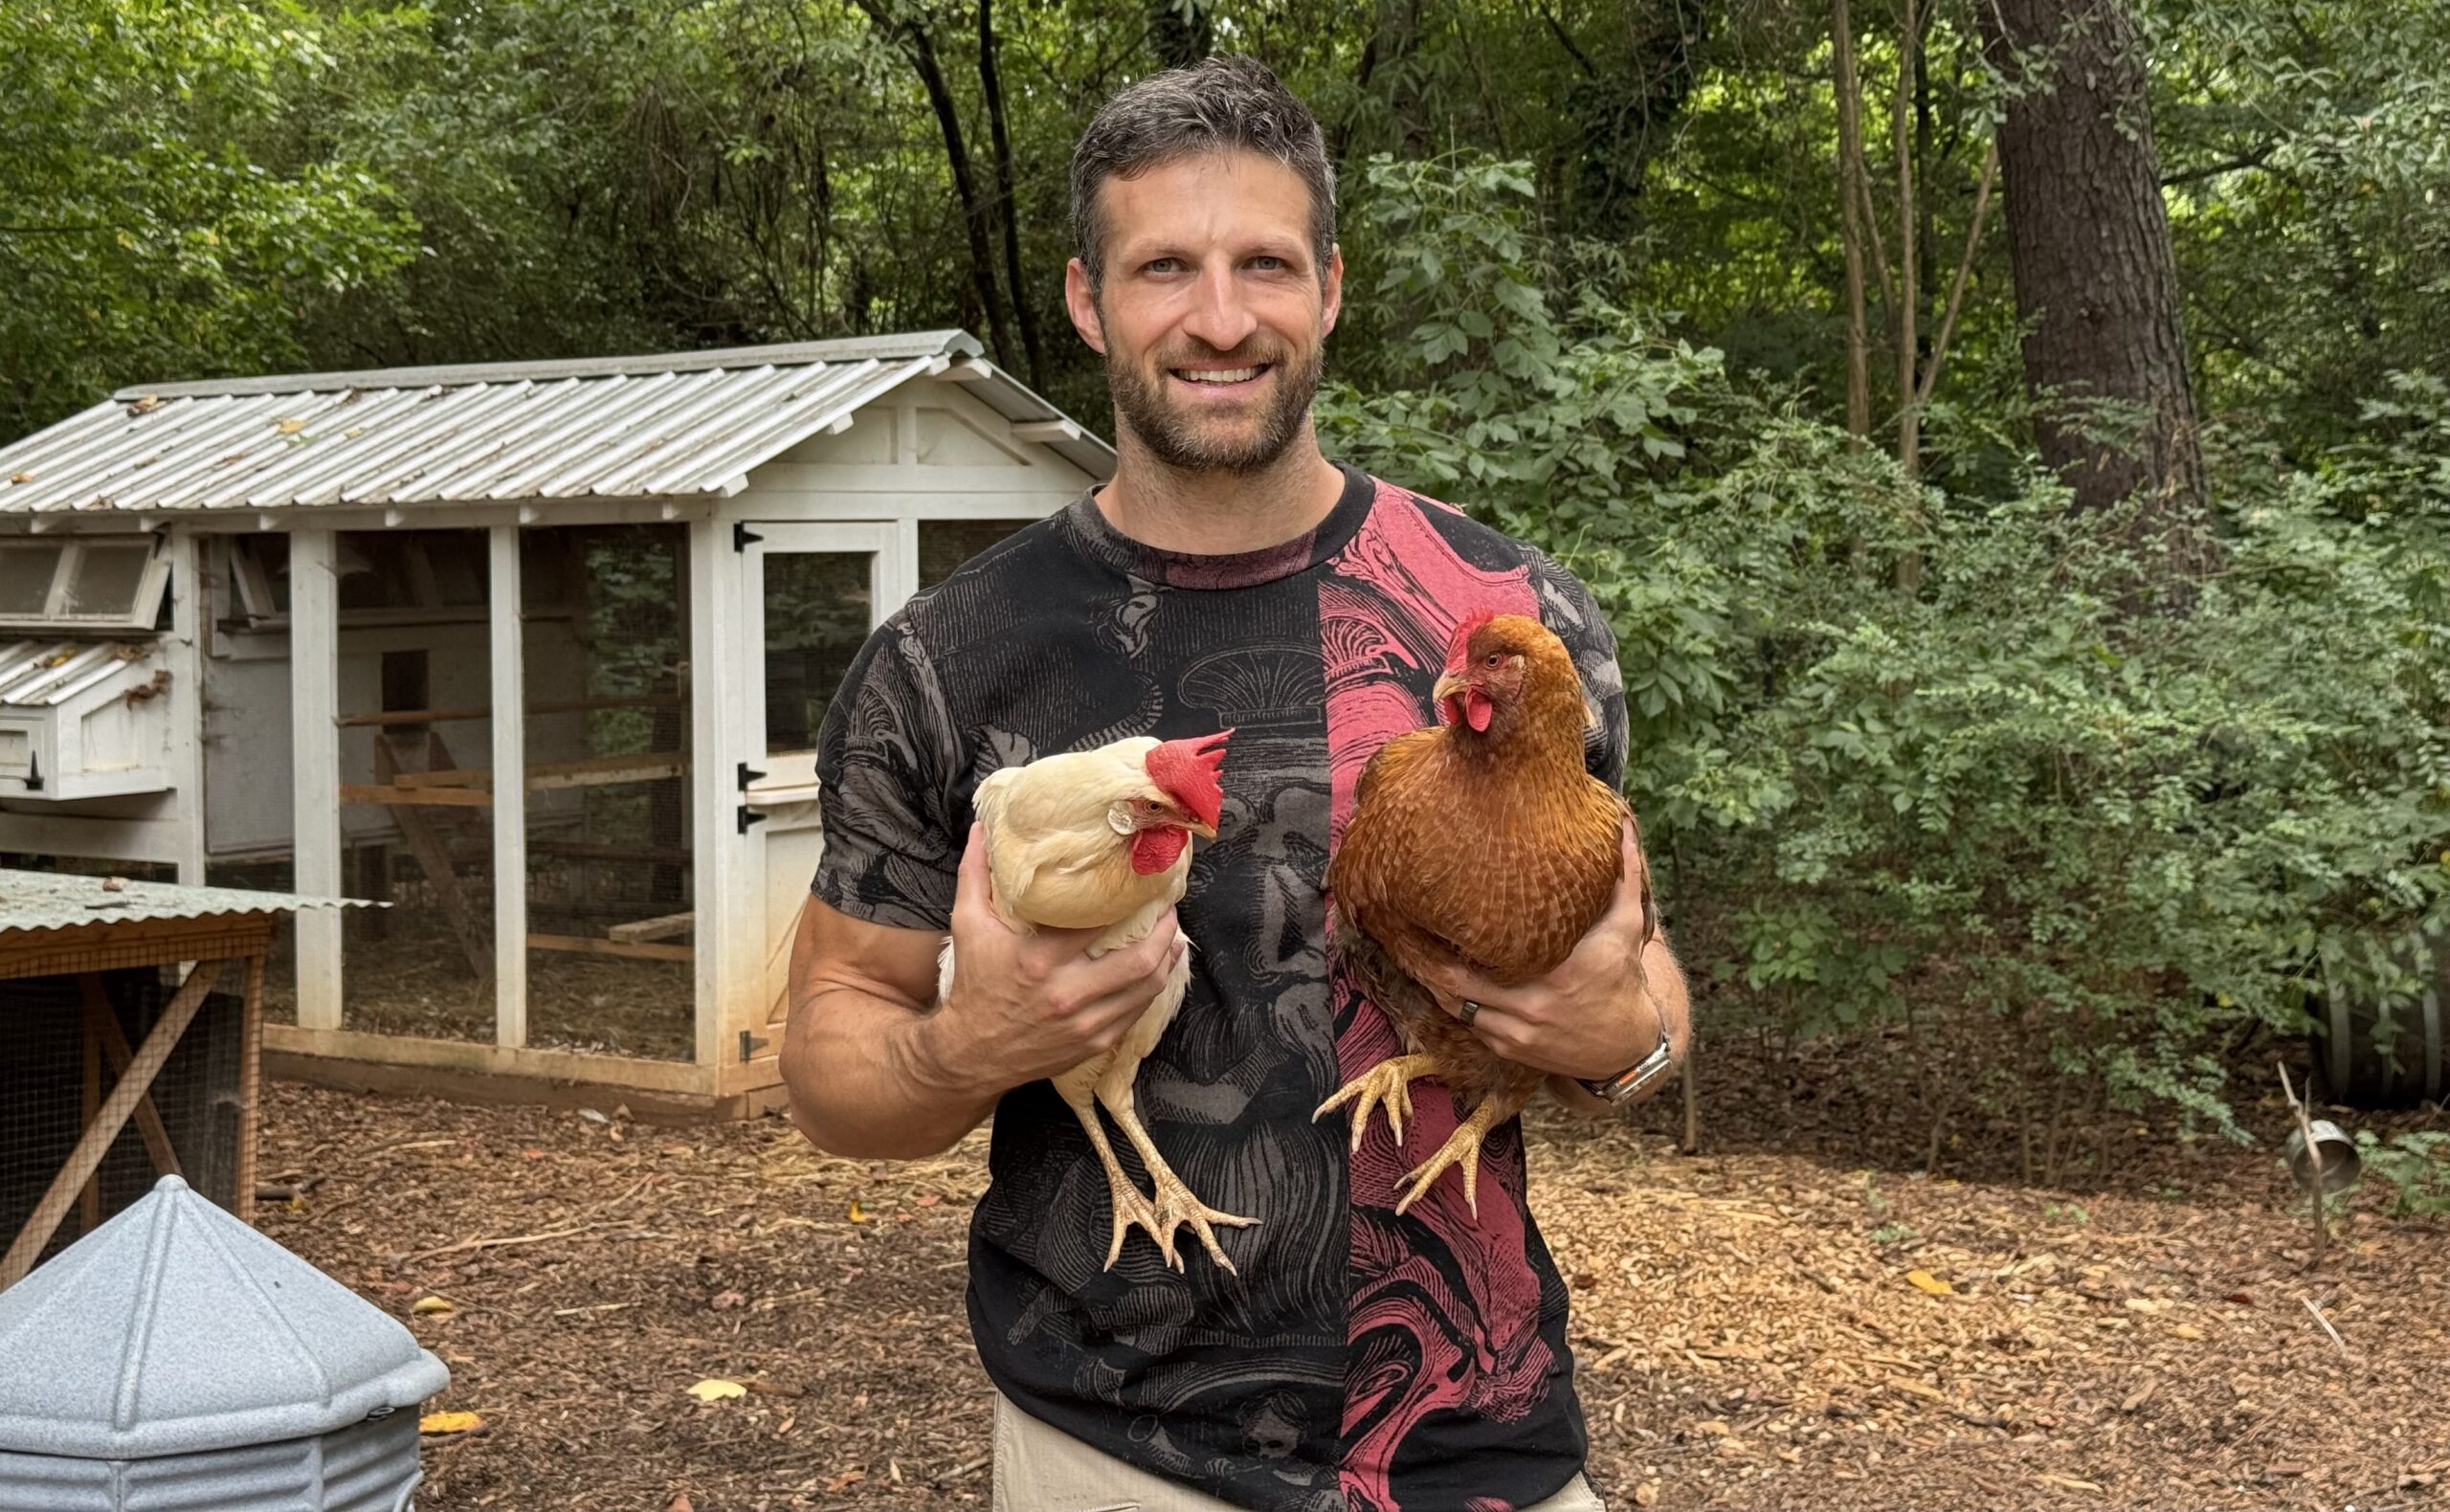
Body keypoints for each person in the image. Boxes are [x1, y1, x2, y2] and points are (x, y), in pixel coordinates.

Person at [782, 55, 1690, 1512]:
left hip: (1481, 1440)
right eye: (1164, 268)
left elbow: (1645, 975)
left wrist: (1627, 1038)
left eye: (1263, 262)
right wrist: (967, 1048)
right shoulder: (950, 660)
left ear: (1329, 286)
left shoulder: (1506, 617)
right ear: (1089, 300)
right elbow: (833, 1043)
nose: (1220, 317)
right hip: (1110, 1447)